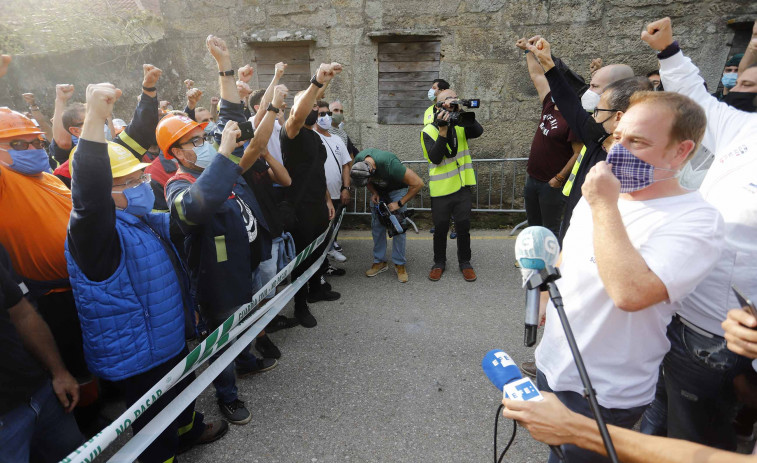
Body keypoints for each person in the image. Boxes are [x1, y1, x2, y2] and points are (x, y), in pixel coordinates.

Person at [525, 35, 725, 463]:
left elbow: (632, 293)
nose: (617, 152)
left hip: (607, 392)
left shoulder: (696, 220)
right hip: (553, 364)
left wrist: (603, 205)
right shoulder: (605, 191)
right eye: (618, 138)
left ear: (681, 151)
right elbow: (570, 252)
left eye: (637, 143)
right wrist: (546, 290)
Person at [66, 82, 227, 462]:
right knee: (155, 427)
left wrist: (224, 161)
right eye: (130, 181)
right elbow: (88, 190)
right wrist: (93, 116)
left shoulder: (141, 219)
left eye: (141, 177)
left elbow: (188, 214)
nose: (142, 185)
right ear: (106, 193)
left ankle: (189, 430)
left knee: (180, 395)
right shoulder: (95, 234)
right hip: (139, 353)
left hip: (166, 341)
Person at [636, 17, 757, 451]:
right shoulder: (746, 130)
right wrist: (668, 50)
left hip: (726, 340)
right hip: (684, 321)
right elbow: (697, 101)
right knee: (659, 413)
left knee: (699, 441)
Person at [165, 35, 283, 425]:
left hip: (242, 265)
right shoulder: (179, 184)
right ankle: (227, 395)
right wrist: (219, 155)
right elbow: (196, 207)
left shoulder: (211, 161)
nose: (204, 143)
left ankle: (247, 359)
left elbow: (231, 112)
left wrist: (225, 63)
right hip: (217, 280)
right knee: (219, 340)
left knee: (242, 323)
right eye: (195, 142)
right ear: (178, 154)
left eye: (203, 137)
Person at [0, 244, 84, 463]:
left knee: (75, 454)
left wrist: (59, 372)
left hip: (41, 393)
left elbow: (22, 313)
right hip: (5, 427)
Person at [280, 61, 343, 328]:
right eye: (310, 105)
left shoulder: (315, 137)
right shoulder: (291, 132)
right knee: (302, 260)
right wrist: (316, 81)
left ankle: (316, 289)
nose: (315, 110)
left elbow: (318, 172)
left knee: (319, 254)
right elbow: (298, 112)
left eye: (316, 106)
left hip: (318, 204)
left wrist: (328, 200)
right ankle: (300, 306)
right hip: (299, 208)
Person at [516, 37, 583, 238]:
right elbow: (536, 75)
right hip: (533, 178)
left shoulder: (573, 116)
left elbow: (579, 152)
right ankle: (534, 258)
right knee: (533, 225)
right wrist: (528, 50)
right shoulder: (549, 103)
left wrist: (559, 178)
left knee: (550, 229)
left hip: (552, 183)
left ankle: (553, 265)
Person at [421, 88, 483, 282]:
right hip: (441, 190)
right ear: (438, 105)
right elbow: (436, 158)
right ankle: (439, 263)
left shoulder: (461, 123)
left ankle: (465, 263)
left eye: (454, 98)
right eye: (447, 99)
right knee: (440, 229)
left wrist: (461, 112)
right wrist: (443, 130)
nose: (452, 101)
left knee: (463, 227)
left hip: (463, 185)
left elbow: (478, 131)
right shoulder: (429, 130)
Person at [351, 148, 424, 283]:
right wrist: (374, 192)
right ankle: (379, 262)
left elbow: (418, 183)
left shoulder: (390, 164)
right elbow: (367, 181)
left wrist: (399, 203)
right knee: (377, 227)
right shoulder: (359, 163)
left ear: (372, 171)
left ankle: (399, 263)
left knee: (398, 227)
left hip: (397, 190)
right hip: (379, 190)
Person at [314, 99, 352, 263]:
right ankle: (320, 263)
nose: (326, 117)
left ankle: (329, 255)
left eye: (328, 114)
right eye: (321, 114)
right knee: (319, 232)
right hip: (319, 195)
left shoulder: (337, 139)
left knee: (333, 227)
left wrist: (346, 188)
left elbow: (346, 165)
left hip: (337, 193)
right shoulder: (312, 137)